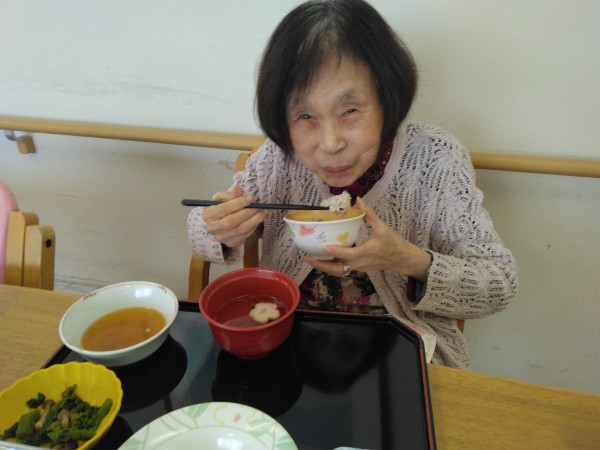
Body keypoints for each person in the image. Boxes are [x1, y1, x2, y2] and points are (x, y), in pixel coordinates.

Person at [187, 0, 518, 368]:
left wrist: (407, 259)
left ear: (387, 99)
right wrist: (219, 226)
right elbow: (200, 231)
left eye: (350, 110)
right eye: (305, 115)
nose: (331, 144)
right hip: (284, 340)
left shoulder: (436, 159)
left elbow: (499, 285)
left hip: (401, 354)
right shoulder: (277, 158)